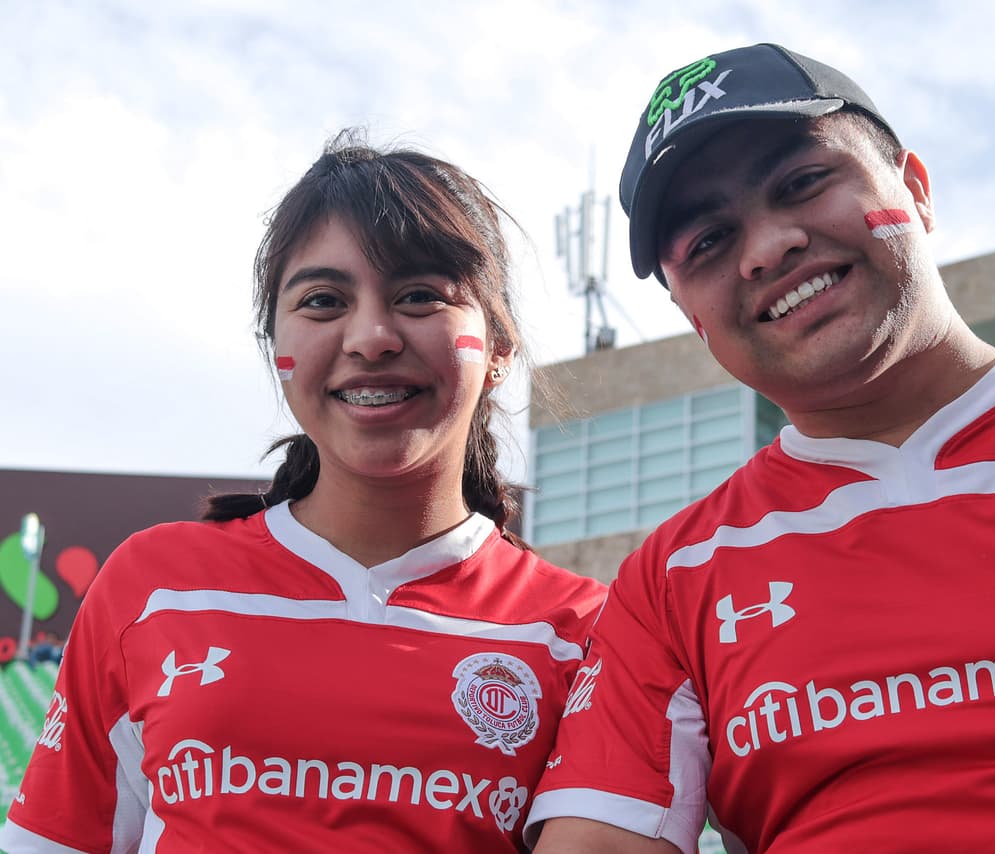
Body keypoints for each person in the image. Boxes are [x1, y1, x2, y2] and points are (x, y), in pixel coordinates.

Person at [527, 43, 995, 852]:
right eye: (709, 240)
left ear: (916, 189)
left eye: (803, 183)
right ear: (688, 314)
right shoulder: (675, 578)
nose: (767, 248)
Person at [0, 132, 605, 852]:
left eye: (419, 296)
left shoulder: (583, 633)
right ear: (274, 347)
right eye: (323, 301)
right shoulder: (153, 585)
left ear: (499, 350)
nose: (372, 336)